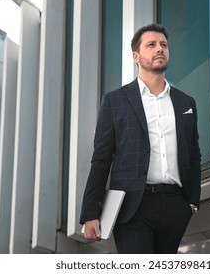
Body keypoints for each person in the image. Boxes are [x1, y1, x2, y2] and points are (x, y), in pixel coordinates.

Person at [80, 23, 201, 254]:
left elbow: (194, 155)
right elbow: (101, 159)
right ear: (136, 56)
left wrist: (192, 201)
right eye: (151, 45)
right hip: (133, 206)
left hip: (176, 205)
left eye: (164, 45)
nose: (160, 49)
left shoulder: (186, 102)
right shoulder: (115, 101)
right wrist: (90, 213)